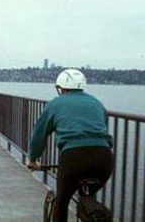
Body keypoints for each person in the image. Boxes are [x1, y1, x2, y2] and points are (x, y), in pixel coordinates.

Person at [27, 69, 113, 222]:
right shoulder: (97, 103)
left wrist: (33, 159)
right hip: (104, 158)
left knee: (62, 200)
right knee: (89, 197)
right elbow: (102, 131)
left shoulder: (55, 103)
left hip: (74, 158)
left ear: (61, 88)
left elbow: (39, 135)